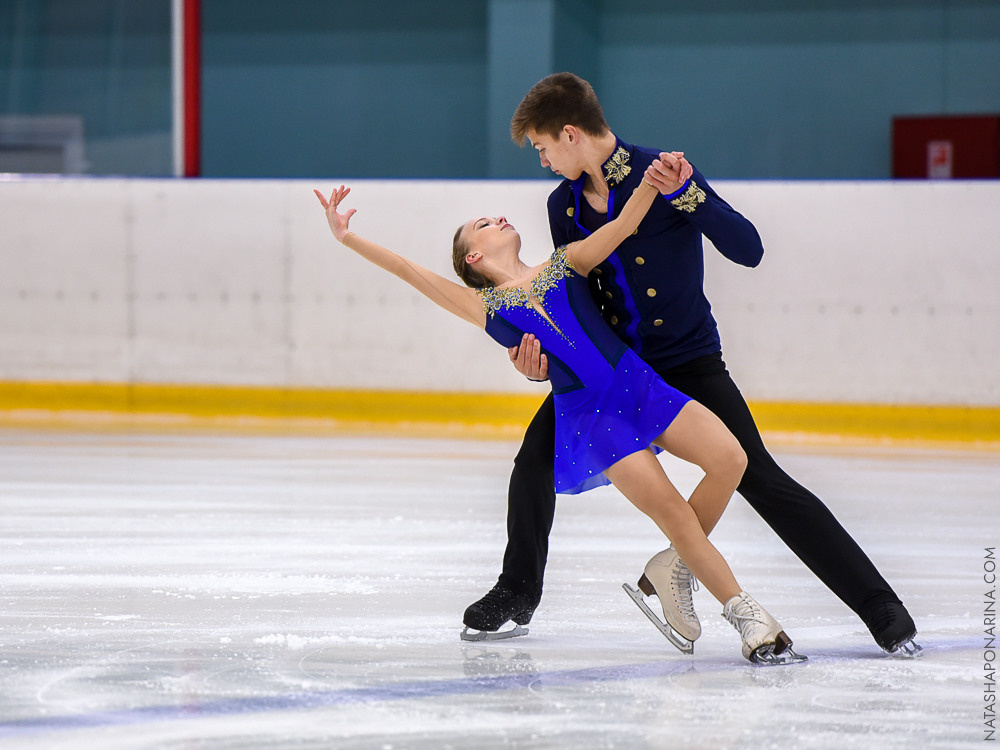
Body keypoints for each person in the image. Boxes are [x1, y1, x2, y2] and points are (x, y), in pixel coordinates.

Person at [461, 72, 919, 656]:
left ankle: (878, 605)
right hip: (615, 373)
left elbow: (749, 250)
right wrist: (540, 365)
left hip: (688, 360)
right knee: (532, 463)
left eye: (543, 148)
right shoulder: (563, 205)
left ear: (570, 134)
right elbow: (571, 303)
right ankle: (517, 591)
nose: (544, 162)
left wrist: (688, 196)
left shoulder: (663, 171)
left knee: (759, 476)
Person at [314, 180, 804, 664]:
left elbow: (623, 225)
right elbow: (406, 269)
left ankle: (675, 564)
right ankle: (748, 617)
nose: (498, 218)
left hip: (640, 386)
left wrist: (653, 180)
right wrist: (346, 237)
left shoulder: (565, 262)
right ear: (473, 258)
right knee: (674, 514)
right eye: (483, 224)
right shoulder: (484, 306)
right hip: (593, 419)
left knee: (731, 459)